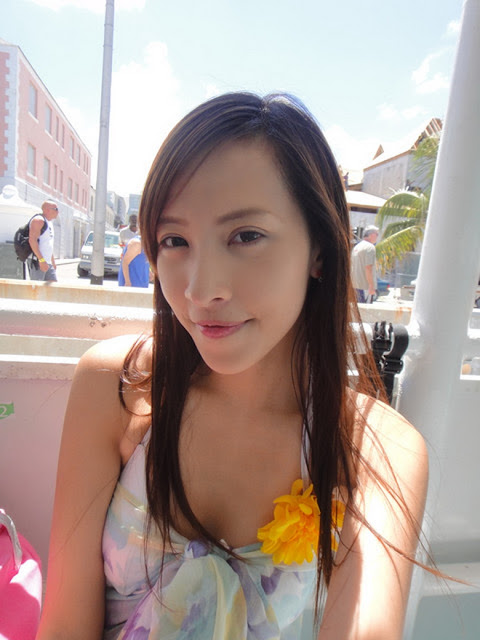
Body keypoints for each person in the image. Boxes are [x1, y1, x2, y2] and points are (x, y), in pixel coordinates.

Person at [37, 93, 428, 640]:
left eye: (245, 236)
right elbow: (63, 627)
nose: (200, 290)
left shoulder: (373, 448)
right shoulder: (119, 388)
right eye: (175, 240)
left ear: (319, 249)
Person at [27, 200, 59, 282]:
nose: (58, 212)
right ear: (47, 210)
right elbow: (32, 240)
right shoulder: (38, 220)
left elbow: (48, 244)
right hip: (37, 261)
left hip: (47, 262)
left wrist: (52, 262)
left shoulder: (49, 223)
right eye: (56, 209)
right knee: (37, 287)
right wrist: (41, 260)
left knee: (53, 286)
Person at [351, 224, 379, 303]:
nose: (377, 237)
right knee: (364, 309)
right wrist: (371, 286)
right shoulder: (370, 247)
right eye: (377, 234)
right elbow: (368, 267)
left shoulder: (357, 247)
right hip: (364, 287)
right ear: (372, 235)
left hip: (354, 286)